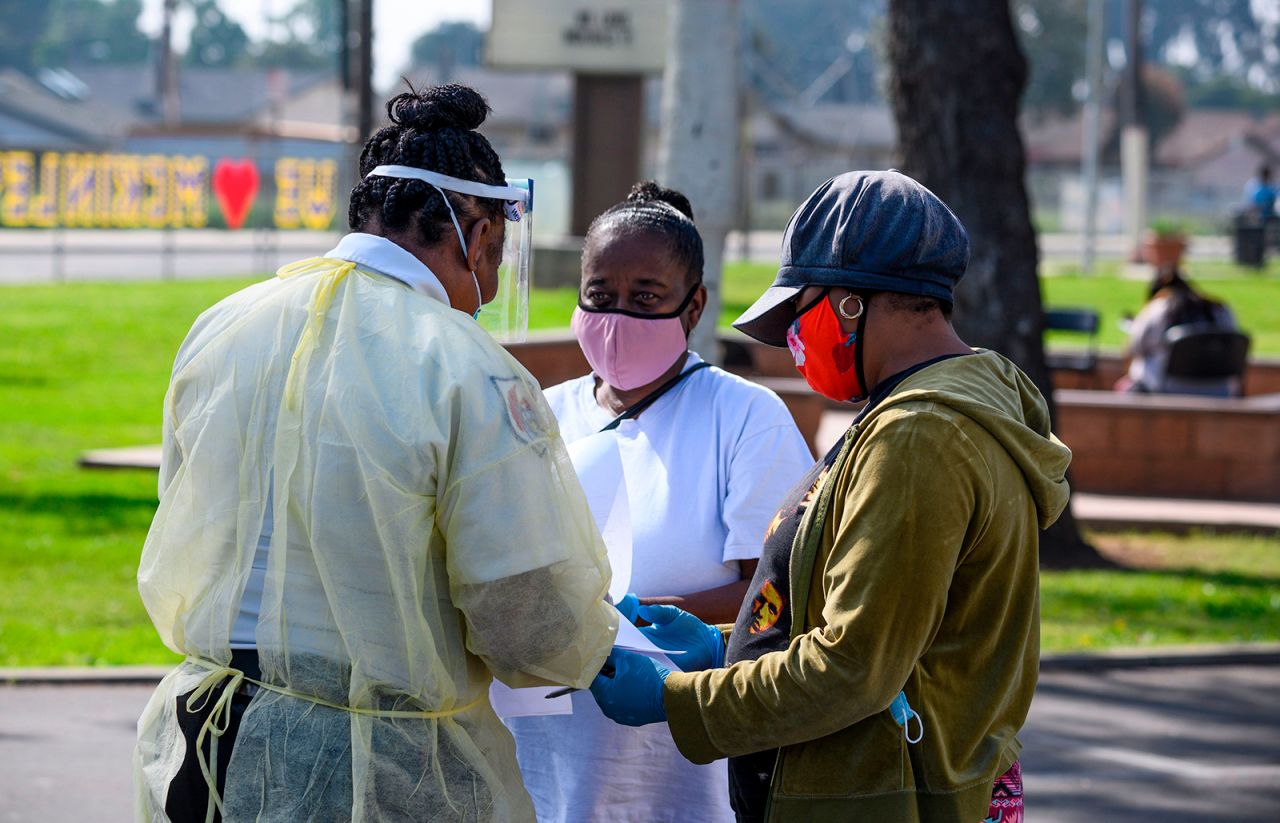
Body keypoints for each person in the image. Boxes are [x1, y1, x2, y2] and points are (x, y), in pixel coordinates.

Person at [133, 84, 617, 822]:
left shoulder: (224, 325)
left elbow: (188, 509)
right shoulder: (465, 367)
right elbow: (528, 620)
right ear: (479, 232)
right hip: (370, 766)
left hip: (206, 739)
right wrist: (602, 641)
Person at [588, 170, 1072, 823]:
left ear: (849, 301)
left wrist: (679, 698)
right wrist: (722, 642)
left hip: (885, 794)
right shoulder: (929, 414)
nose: (794, 344)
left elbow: (853, 666)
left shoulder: (919, 438)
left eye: (799, 314)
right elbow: (878, 624)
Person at [504, 182, 813, 823]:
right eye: (601, 296)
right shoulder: (537, 412)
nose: (618, 317)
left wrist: (640, 623)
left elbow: (779, 593)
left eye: (646, 297)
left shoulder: (744, 415)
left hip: (679, 762)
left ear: (693, 305)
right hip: (547, 756)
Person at [1119, 266, 1238, 395]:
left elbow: (1135, 347)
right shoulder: (1219, 309)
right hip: (1219, 391)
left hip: (1165, 390)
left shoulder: (1158, 308)